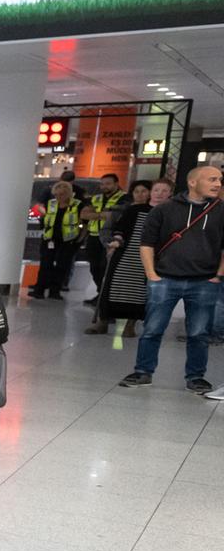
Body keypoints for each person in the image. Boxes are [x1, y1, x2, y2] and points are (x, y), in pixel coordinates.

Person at [120, 164, 224, 394]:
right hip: (165, 279)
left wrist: (218, 275)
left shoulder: (220, 210)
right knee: (152, 329)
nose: (218, 184)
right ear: (193, 182)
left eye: (219, 179)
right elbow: (146, 243)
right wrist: (151, 275)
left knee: (199, 333)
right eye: (212, 179)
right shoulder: (165, 209)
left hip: (205, 281)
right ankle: (143, 372)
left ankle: (196, 377)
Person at [87, 179, 168, 337]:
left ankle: (130, 325)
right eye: (156, 190)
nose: (159, 194)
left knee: (139, 291)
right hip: (125, 253)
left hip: (148, 258)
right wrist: (115, 241)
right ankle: (103, 321)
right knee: (112, 287)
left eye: (164, 191)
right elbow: (120, 228)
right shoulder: (133, 209)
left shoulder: (167, 213)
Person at [31, 179, 86, 301]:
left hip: (68, 240)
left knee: (62, 266)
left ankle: (55, 291)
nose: (59, 197)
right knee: (45, 264)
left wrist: (80, 239)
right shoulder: (51, 203)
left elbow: (84, 223)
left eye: (62, 194)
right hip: (50, 238)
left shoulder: (77, 205)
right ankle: (39, 289)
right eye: (56, 195)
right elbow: (46, 217)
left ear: (69, 194)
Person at [81, 172, 126, 303]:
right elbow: (84, 214)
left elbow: (114, 216)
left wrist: (96, 214)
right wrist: (103, 215)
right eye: (102, 184)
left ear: (116, 184)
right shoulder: (96, 198)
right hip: (94, 236)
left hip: (110, 237)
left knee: (105, 267)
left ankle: (105, 296)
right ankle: (100, 293)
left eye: (108, 183)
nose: (104, 186)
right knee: (94, 267)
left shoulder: (124, 198)